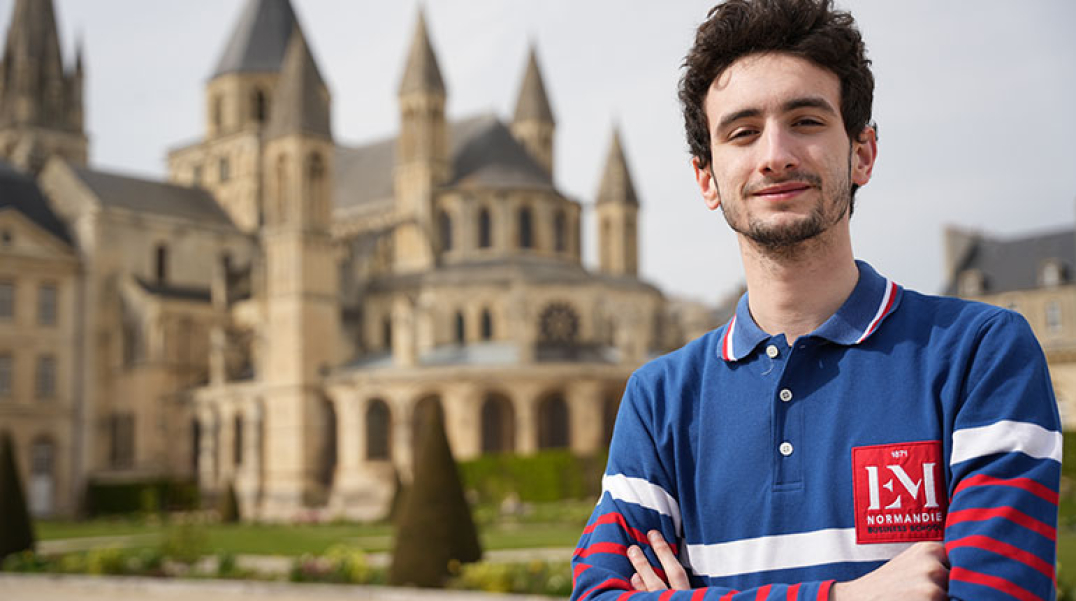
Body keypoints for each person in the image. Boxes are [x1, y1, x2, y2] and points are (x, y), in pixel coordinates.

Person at [569, 1, 1061, 600]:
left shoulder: (979, 355)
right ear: (706, 177)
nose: (775, 155)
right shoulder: (659, 399)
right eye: (743, 132)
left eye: (805, 121)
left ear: (863, 153)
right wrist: (849, 596)